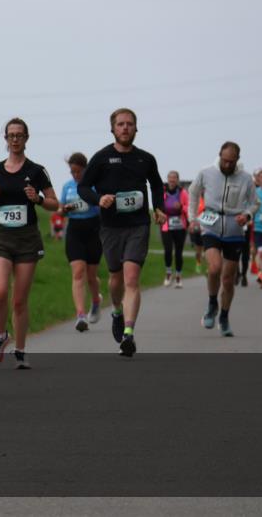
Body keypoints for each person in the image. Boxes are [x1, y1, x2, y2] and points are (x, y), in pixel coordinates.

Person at [77, 108, 166, 357]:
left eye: (129, 124)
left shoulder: (145, 159)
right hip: (111, 227)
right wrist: (98, 199)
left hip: (138, 225)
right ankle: (116, 310)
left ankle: (128, 333)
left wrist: (158, 207)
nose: (125, 128)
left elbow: (156, 184)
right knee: (115, 278)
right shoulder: (102, 158)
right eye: (120, 124)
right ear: (113, 129)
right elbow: (83, 186)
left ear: (136, 128)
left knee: (131, 278)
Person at [0, 118, 57, 369]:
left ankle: (21, 350)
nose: (15, 139)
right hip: (1, 236)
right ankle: (1, 336)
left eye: (19, 135)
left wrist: (37, 198)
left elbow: (53, 203)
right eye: (11, 135)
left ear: (26, 138)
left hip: (26, 239)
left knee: (19, 300)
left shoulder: (36, 170)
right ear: (5, 139)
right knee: (0, 291)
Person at [188, 142, 259, 337]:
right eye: (224, 160)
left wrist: (247, 215)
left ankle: (224, 316)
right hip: (210, 223)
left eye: (231, 161)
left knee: (228, 280)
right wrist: (192, 219)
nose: (227, 165)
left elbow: (254, 203)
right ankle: (212, 304)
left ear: (237, 160)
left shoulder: (245, 179)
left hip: (234, 228)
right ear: (219, 155)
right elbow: (193, 193)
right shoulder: (206, 172)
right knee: (214, 268)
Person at [60, 152, 103, 332]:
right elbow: (60, 210)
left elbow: (102, 205)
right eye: (72, 172)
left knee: (91, 276)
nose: (76, 175)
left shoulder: (94, 185)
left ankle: (96, 301)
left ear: (86, 169)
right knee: (78, 273)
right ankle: (80, 315)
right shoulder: (67, 187)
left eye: (78, 171)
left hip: (93, 230)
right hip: (75, 231)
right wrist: (65, 209)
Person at [159, 170, 189, 288]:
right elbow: (158, 206)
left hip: (180, 225)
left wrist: (181, 206)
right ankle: (168, 273)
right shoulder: (163, 191)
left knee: (178, 252)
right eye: (170, 178)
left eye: (174, 178)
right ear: (168, 179)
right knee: (167, 250)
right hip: (166, 225)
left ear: (177, 180)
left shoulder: (183, 193)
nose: (172, 180)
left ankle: (178, 277)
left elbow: (189, 207)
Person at [189, 194, 206, 273]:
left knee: (208, 250)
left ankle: (209, 267)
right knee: (198, 250)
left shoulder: (210, 201)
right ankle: (198, 263)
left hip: (208, 229)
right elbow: (192, 213)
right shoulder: (197, 201)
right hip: (198, 229)